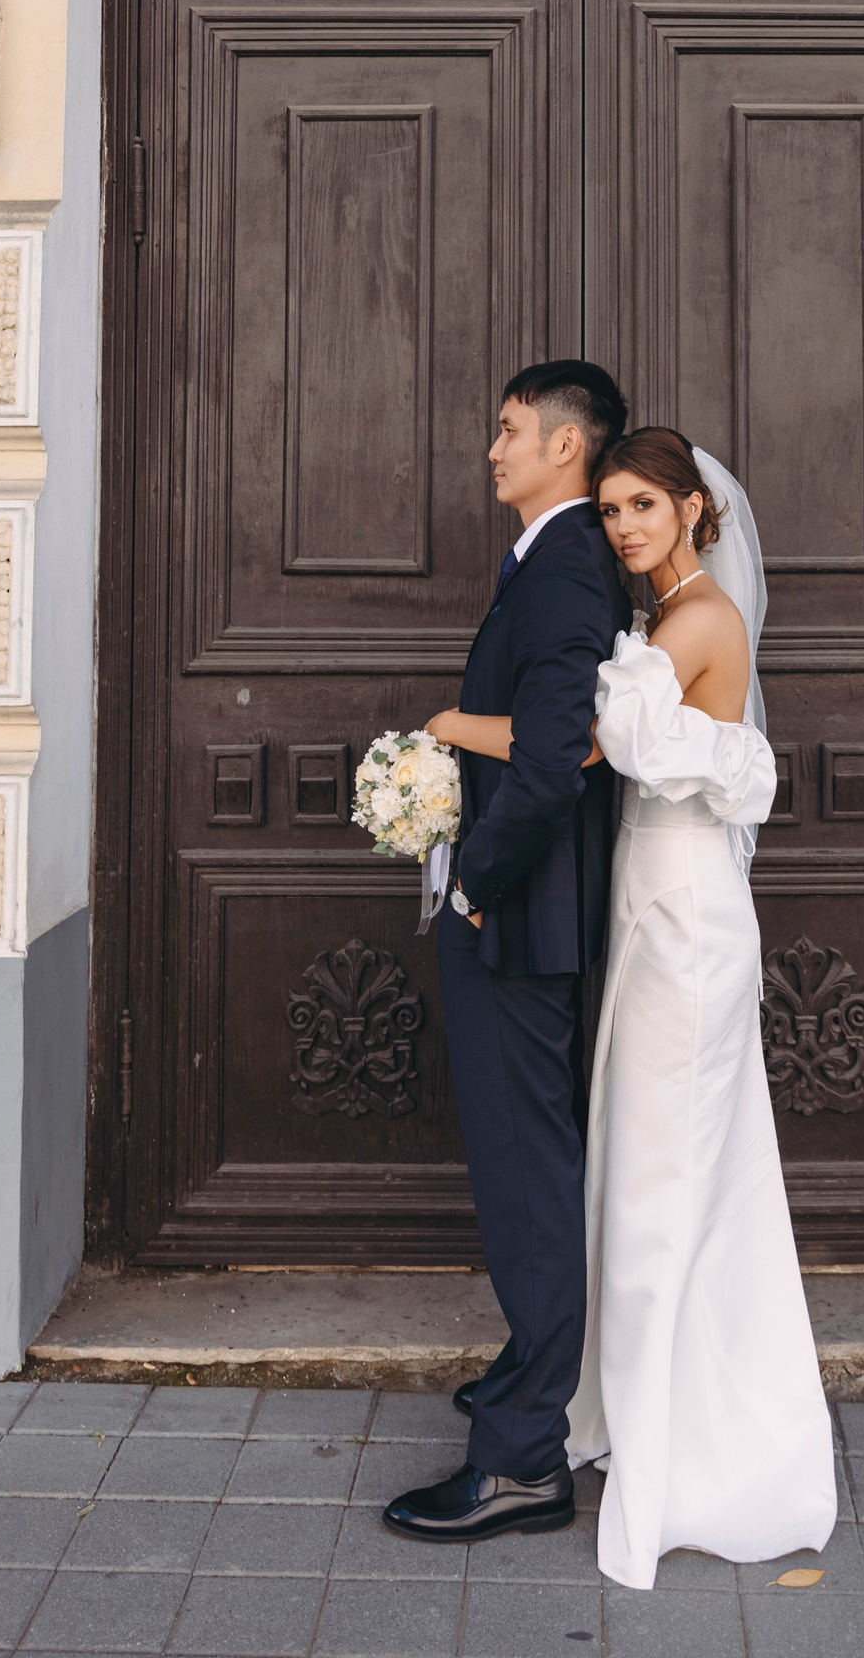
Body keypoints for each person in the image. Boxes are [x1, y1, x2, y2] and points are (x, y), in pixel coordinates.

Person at [411, 423, 837, 1589]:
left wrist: (447, 730)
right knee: (644, 1163)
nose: (625, 527)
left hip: (689, 917)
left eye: (645, 505)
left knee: (664, 1175)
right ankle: (626, 1403)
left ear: (694, 509)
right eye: (610, 510)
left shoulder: (698, 623)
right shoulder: (660, 622)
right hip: (651, 906)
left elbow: (585, 748)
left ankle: (671, 1445)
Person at [382, 358, 631, 1547]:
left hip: (520, 927)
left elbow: (553, 755)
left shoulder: (569, 565)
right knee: (526, 1174)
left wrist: (476, 885)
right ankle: (525, 1379)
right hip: (520, 921)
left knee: (529, 1185)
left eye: (510, 429)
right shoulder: (548, 560)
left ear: (565, 446)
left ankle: (525, 1459)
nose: (493, 448)